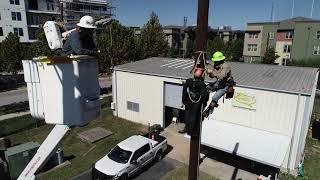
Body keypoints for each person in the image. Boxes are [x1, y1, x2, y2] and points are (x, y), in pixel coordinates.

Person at [203, 51, 233, 118]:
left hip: (226, 85)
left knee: (215, 97)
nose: (215, 63)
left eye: (216, 61)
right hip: (219, 82)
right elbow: (213, 76)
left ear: (220, 60)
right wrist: (209, 72)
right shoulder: (216, 65)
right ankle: (203, 103)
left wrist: (212, 72)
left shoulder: (226, 66)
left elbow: (221, 76)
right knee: (206, 87)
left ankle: (208, 111)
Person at [179, 69, 209, 135]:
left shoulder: (188, 81)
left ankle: (187, 128)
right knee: (194, 116)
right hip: (197, 102)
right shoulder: (202, 84)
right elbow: (204, 95)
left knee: (187, 115)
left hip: (189, 100)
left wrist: (183, 100)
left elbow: (184, 91)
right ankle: (191, 131)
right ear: (201, 76)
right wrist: (204, 104)